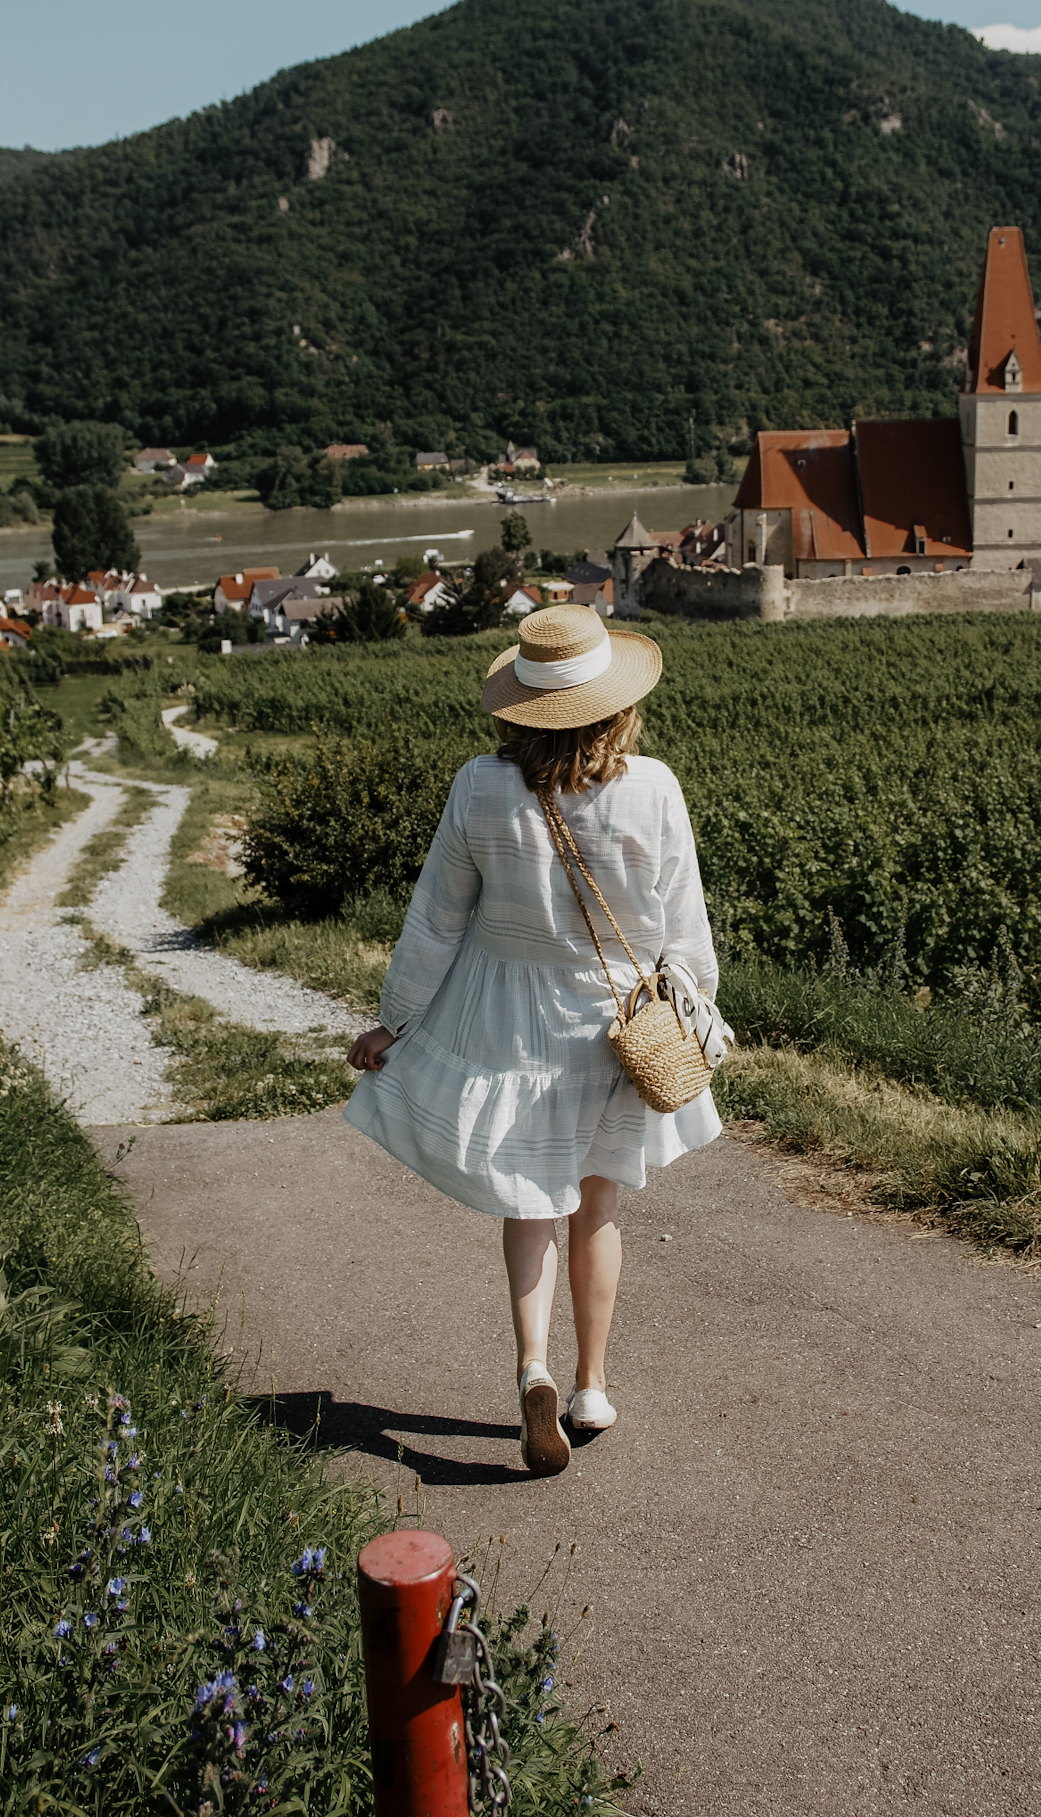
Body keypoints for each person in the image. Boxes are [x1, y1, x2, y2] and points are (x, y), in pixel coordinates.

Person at [345, 604, 721, 1476]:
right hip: (616, 1025)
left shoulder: (479, 786)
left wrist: (392, 1019)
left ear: (523, 705)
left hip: (507, 1021)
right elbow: (682, 928)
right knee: (597, 1206)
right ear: (617, 704)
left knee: (529, 1203)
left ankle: (532, 1367)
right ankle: (591, 1384)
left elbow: (435, 920)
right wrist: (696, 1008)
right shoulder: (653, 788)